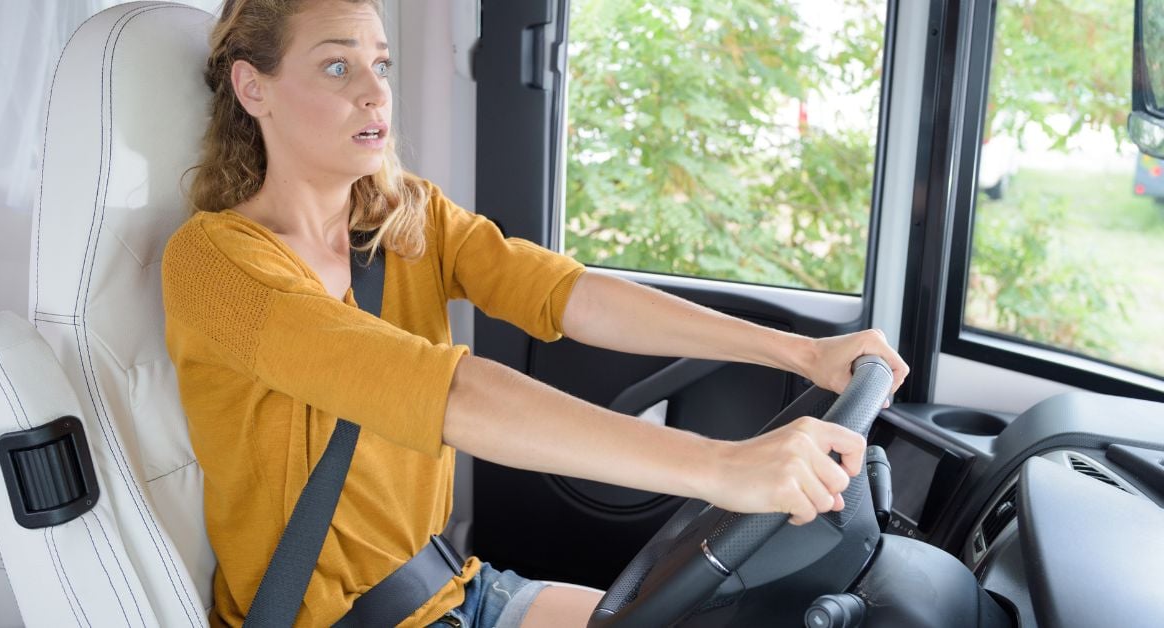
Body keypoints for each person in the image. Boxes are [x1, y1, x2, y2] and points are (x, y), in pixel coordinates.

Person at [160, 0, 910, 626]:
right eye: (336, 65)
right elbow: (442, 390)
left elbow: (569, 296)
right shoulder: (217, 264)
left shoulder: (403, 217)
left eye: (381, 64)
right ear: (252, 87)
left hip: (457, 590)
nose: (374, 91)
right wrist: (719, 466)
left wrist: (802, 353)